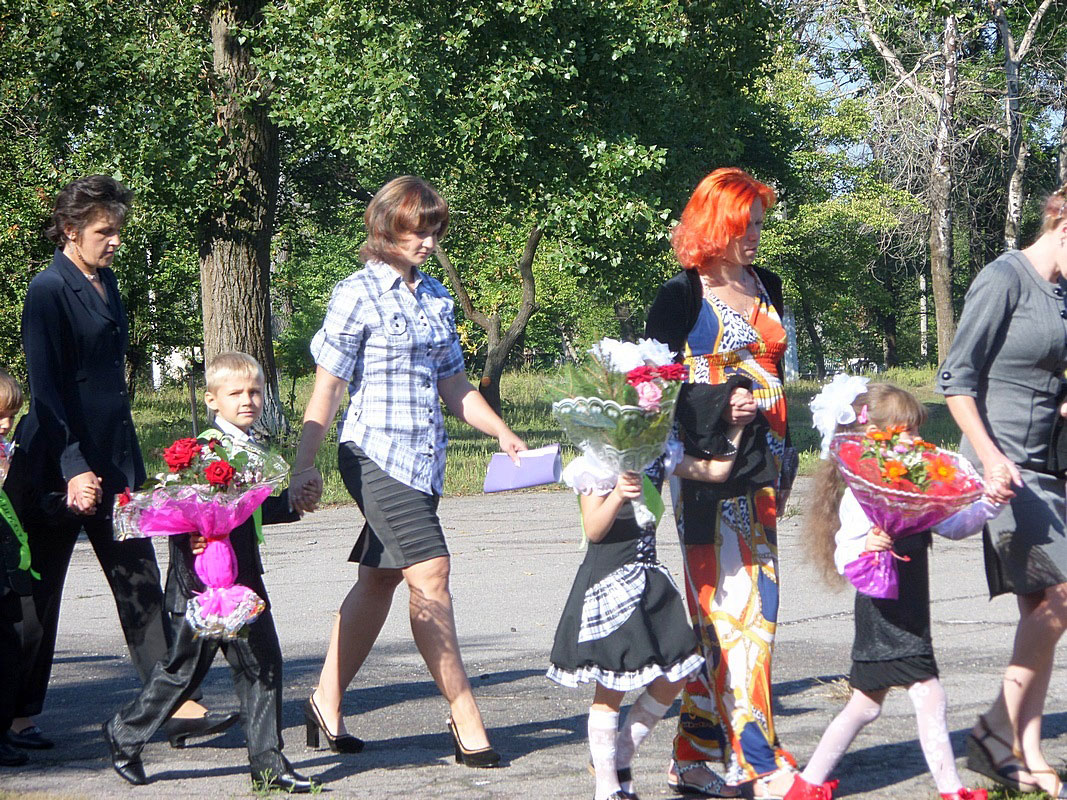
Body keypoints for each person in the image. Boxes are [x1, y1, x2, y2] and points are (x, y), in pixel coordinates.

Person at [289, 176, 527, 765]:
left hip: (424, 462)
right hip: (373, 454)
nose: (428, 242)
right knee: (431, 573)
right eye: (418, 231)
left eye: (434, 231)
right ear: (385, 228)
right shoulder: (356, 294)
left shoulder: (438, 297)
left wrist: (500, 430)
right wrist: (303, 463)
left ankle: (324, 702)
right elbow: (328, 388)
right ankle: (466, 716)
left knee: (381, 579)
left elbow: (455, 386)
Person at [8, 176, 230, 750]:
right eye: (104, 231)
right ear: (70, 230)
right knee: (39, 597)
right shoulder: (47, 290)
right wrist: (73, 466)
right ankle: (16, 715)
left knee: (139, 579)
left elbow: (110, 386)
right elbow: (47, 391)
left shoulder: (106, 281)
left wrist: (130, 467)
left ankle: (174, 705)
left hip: (113, 463)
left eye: (118, 230)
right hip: (56, 467)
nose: (115, 242)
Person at [645, 167, 795, 798]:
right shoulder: (681, 295)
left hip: (766, 469)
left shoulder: (767, 284)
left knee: (745, 610)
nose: (755, 236)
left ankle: (694, 757)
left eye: (758, 224)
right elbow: (645, 388)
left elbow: (779, 371)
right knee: (739, 614)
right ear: (715, 225)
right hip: (708, 472)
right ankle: (760, 763)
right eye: (744, 226)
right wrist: (715, 403)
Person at [104, 352, 314, 793]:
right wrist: (192, 541)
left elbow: (246, 515)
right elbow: (178, 511)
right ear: (212, 400)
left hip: (242, 580)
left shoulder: (252, 448)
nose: (247, 400)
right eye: (235, 393)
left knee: (263, 665)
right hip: (199, 585)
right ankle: (125, 733)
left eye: (255, 391)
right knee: (183, 670)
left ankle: (268, 765)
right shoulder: (203, 451)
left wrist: (292, 504)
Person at [785, 380, 999, 800]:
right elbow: (844, 556)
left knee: (865, 706)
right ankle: (951, 790)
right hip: (883, 612)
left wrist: (990, 503)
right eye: (905, 431)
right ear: (873, 435)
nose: (915, 439)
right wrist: (868, 545)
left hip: (910, 608)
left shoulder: (911, 489)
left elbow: (954, 526)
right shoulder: (863, 497)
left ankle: (807, 784)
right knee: (928, 694)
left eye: (917, 430)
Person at [938, 185, 1067, 798]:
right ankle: (994, 726)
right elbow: (956, 380)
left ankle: (1024, 751)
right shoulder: (1003, 279)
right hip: (1004, 469)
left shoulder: (1061, 292)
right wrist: (989, 458)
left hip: (1049, 465)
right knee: (1061, 597)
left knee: (1039, 611)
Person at [548, 423, 753, 800]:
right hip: (609, 579)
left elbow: (716, 471)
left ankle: (620, 755)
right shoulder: (597, 463)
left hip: (647, 578)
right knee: (611, 685)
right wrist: (616, 495)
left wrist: (737, 425)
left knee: (678, 671)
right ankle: (606, 787)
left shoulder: (659, 455)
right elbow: (593, 530)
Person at [0, 369, 31, 767]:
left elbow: (29, 505)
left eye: (12, 415)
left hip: (7, 574)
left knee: (8, 653)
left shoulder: (13, 457)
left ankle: (4, 729)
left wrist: (61, 505)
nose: (6, 424)